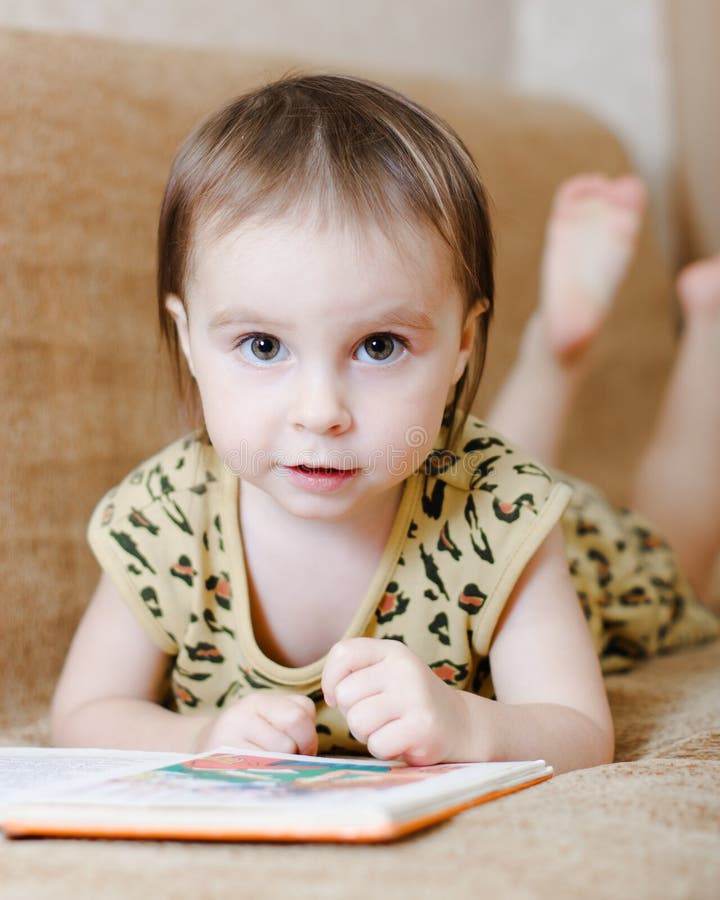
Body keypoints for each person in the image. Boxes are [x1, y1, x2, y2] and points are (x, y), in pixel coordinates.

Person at [50, 75, 719, 775]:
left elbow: (580, 730)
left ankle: (705, 326)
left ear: (462, 343)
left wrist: (469, 725)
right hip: (447, 469)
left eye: (378, 346)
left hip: (563, 549)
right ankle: (556, 347)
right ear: (187, 339)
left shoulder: (504, 512)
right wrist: (196, 739)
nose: (320, 413)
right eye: (263, 346)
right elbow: (85, 712)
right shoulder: (166, 519)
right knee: (450, 454)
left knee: (674, 564)